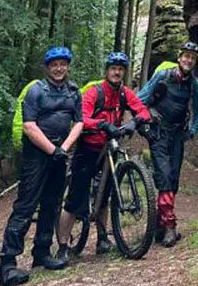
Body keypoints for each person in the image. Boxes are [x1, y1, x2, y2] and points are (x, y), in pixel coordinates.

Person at [0, 46, 83, 286]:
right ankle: (8, 263)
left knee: (52, 204)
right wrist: (51, 149)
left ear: (67, 66)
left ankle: (42, 253)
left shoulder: (74, 92)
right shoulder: (35, 91)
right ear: (48, 67)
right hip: (36, 155)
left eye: (63, 64)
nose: (59, 68)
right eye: (54, 64)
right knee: (25, 206)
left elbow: (79, 122)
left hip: (59, 153)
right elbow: (29, 126)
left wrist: (63, 149)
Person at [56, 51, 150, 260]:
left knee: (106, 194)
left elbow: (144, 111)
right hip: (88, 148)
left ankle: (102, 238)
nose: (117, 72)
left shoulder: (125, 93)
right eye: (113, 69)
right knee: (74, 199)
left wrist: (135, 122)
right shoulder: (93, 92)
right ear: (107, 71)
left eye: (120, 69)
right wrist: (101, 124)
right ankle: (62, 247)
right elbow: (82, 119)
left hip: (110, 148)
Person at [138, 40, 198, 247]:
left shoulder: (193, 84)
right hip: (159, 133)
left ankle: (159, 224)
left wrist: (192, 130)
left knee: (173, 179)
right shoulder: (162, 77)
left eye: (192, 58)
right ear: (179, 57)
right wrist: (149, 114)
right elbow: (140, 100)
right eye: (186, 56)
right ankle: (169, 226)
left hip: (178, 135)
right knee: (165, 175)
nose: (188, 60)